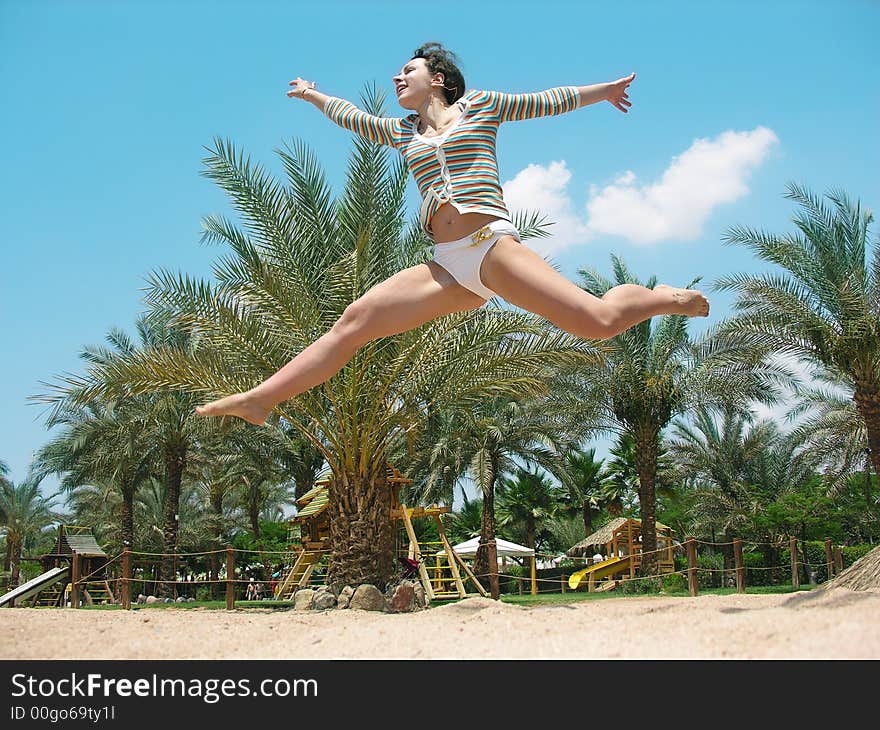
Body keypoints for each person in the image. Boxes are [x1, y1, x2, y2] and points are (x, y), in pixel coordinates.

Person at [196, 42, 709, 425]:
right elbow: (351, 117)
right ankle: (263, 398)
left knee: (597, 321)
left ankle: (661, 297)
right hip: (447, 265)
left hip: (490, 246)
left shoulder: (482, 106)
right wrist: (312, 95)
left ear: (438, 79)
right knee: (354, 321)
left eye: (408, 71)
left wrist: (605, 92)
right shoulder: (401, 132)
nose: (398, 78)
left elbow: (549, 100)